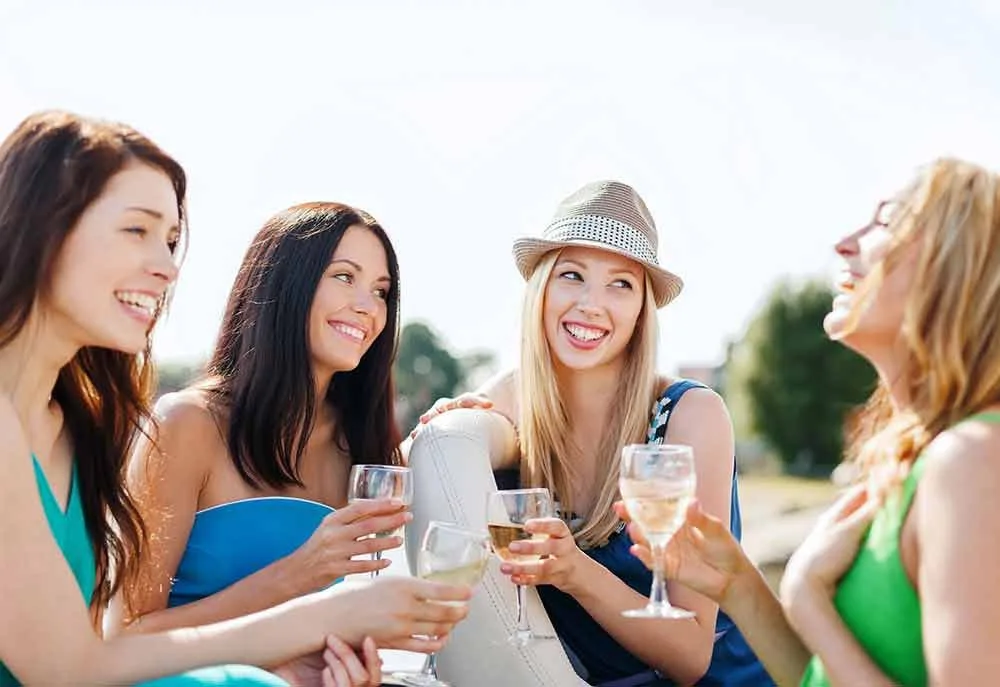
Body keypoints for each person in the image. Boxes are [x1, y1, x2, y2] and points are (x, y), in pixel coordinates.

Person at [0, 110, 470, 687]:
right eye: (137, 231)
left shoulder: (81, 426)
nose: (168, 269)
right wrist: (309, 599)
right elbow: (89, 656)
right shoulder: (185, 424)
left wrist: (301, 663)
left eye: (381, 291)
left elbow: (79, 653)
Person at [618, 157, 1000, 686]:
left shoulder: (972, 461)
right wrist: (740, 587)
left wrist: (808, 601)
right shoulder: (921, 459)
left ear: (959, 266)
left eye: (888, 221)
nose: (844, 244)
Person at [413, 181, 769, 685]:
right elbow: (416, 472)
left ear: (642, 308)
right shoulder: (517, 395)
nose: (591, 304)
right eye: (572, 275)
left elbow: (692, 657)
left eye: (620, 284)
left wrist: (574, 571)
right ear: (541, 289)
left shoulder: (691, 415)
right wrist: (444, 425)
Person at [109, 202, 410, 637]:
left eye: (381, 291)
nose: (369, 307)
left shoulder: (364, 450)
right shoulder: (189, 425)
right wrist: (295, 576)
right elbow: (126, 636)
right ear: (286, 284)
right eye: (345, 277)